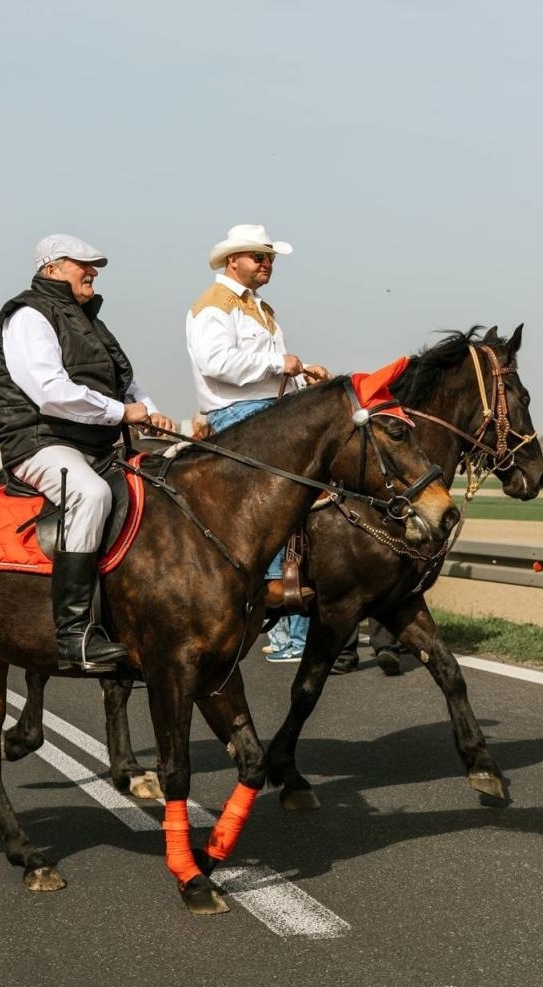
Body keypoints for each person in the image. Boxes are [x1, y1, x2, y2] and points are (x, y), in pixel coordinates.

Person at [0, 233, 175, 671]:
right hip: (40, 442)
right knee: (90, 495)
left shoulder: (90, 320)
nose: (92, 271)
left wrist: (151, 412)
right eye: (83, 264)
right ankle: (73, 635)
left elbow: (124, 381)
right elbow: (51, 392)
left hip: (95, 444)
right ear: (52, 268)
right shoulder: (28, 316)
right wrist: (122, 413)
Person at [186, 224, 329, 663]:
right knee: (289, 510)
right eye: (259, 258)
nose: (267, 265)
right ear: (234, 260)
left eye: (270, 259)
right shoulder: (214, 305)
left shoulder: (259, 307)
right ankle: (288, 619)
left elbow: (271, 371)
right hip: (239, 416)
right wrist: (278, 363)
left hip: (266, 411)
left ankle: (293, 622)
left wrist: (301, 373)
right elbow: (216, 363)